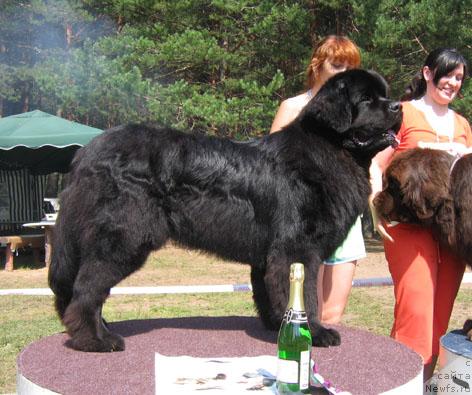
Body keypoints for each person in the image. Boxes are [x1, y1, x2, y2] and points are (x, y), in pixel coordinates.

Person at [369, 48, 471, 382]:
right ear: (428, 73)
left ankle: (420, 386)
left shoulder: (463, 125)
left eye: (459, 78)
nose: (453, 83)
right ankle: (399, 386)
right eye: (448, 75)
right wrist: (373, 204)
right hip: (409, 227)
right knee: (416, 311)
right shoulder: (404, 113)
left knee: (439, 319)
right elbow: (375, 162)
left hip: (452, 231)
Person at [270, 35, 365, 324]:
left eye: (351, 67)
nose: (344, 74)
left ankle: (323, 370)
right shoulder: (292, 107)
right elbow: (270, 165)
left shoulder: (357, 114)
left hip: (345, 220)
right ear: (317, 65)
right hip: (303, 223)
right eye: (337, 65)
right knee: (308, 313)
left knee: (333, 315)